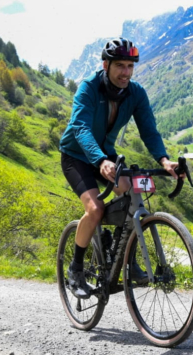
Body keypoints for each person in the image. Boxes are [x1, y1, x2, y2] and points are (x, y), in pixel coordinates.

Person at [59, 38, 179, 299]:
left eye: (130, 66)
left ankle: (123, 255)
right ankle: (76, 269)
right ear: (106, 65)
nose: (126, 72)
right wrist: (100, 160)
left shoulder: (136, 93)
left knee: (129, 192)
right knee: (95, 208)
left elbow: (149, 130)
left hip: (108, 155)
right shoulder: (89, 88)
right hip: (77, 155)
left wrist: (164, 160)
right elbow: (80, 128)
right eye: (120, 66)